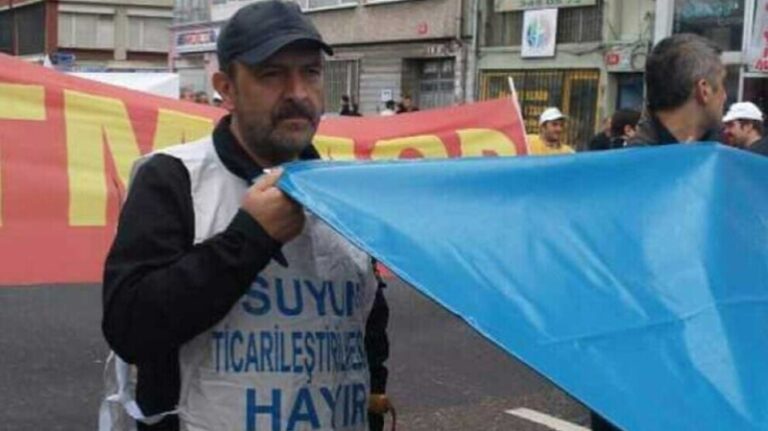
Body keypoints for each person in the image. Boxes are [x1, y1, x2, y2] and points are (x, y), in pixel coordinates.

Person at [101, 2, 390, 431]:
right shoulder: (175, 178)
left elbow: (366, 328)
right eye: (272, 74)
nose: (297, 92)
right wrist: (250, 237)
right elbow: (130, 327)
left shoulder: (343, 190)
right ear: (227, 88)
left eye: (310, 72)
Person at [627, 33, 726, 148]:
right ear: (704, 91)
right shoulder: (722, 153)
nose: (725, 96)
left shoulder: (632, 156)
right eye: (722, 83)